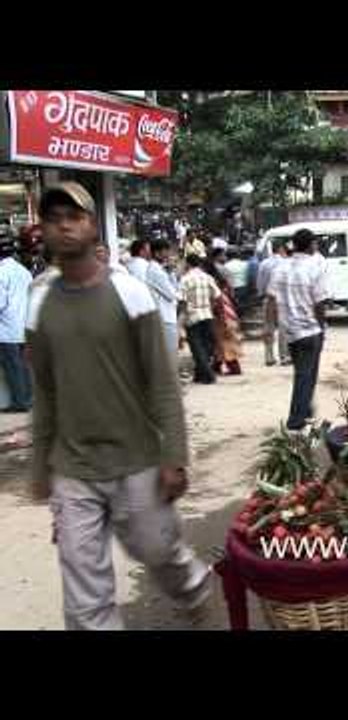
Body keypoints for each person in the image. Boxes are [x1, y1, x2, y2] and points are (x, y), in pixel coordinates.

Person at [28, 183, 209, 630]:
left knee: (158, 551)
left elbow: (163, 385)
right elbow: (45, 392)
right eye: (54, 219)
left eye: (75, 216)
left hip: (138, 460)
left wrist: (174, 458)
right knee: (83, 594)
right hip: (74, 468)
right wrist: (39, 465)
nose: (65, 226)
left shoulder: (130, 293)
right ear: (44, 231)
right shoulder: (39, 303)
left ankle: (193, 587)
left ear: (93, 226)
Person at [266, 229, 329, 431]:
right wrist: (321, 326)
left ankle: (306, 409)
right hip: (310, 329)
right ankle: (296, 419)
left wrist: (270, 326)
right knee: (306, 375)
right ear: (310, 245)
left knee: (303, 372)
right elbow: (320, 302)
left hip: (290, 331)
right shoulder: (315, 267)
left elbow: (271, 299)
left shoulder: (280, 267)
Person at [0, 233, 33, 412]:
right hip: (23, 326)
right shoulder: (23, 271)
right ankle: (28, 399)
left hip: (6, 329)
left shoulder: (1, 273)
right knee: (24, 367)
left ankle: (19, 403)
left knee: (13, 368)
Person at [180, 254, 221, 385]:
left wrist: (182, 317)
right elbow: (217, 295)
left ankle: (208, 375)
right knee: (206, 346)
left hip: (192, 316)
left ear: (188, 264)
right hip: (207, 314)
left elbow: (181, 300)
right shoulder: (207, 277)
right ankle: (200, 374)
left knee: (196, 347)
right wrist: (211, 306)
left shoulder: (185, 279)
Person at [205, 250, 243, 376]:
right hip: (227, 309)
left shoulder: (211, 281)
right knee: (223, 340)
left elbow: (216, 301)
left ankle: (231, 366)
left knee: (223, 340)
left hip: (221, 313)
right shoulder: (221, 279)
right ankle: (218, 365)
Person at [257, 237, 291, 367]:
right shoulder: (287, 263)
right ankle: (284, 356)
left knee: (268, 327)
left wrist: (262, 294)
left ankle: (269, 356)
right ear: (281, 249)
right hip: (283, 299)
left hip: (268, 298)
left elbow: (259, 284)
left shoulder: (264, 264)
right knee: (283, 327)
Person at [147, 238, 183, 363]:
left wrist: (172, 272)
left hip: (167, 315)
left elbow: (175, 289)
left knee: (170, 352)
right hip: (164, 316)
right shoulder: (156, 271)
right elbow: (173, 294)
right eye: (166, 251)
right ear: (157, 253)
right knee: (169, 353)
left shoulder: (161, 269)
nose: (168, 255)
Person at [223, 247, 250, 316]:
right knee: (242, 307)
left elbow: (225, 278)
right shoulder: (244, 264)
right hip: (243, 287)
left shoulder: (226, 266)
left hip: (232, 289)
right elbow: (248, 276)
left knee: (233, 308)